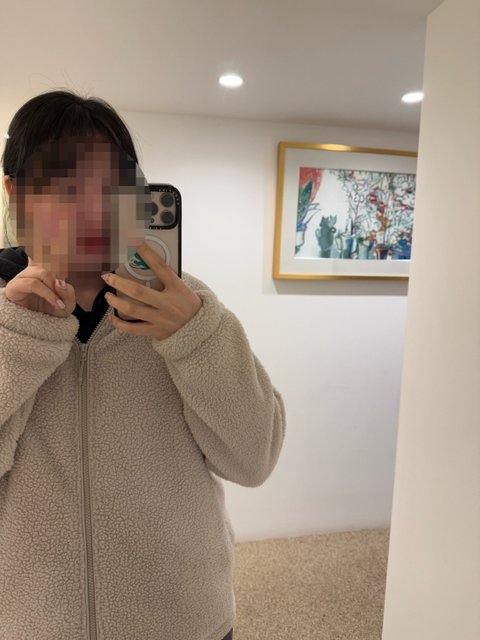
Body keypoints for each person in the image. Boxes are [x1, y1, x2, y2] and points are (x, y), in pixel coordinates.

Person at [0, 90, 286, 640]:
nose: (91, 209)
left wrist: (195, 335)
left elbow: (255, 459)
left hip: (183, 619)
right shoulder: (4, 315)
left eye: (112, 187)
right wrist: (19, 337)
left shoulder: (182, 304)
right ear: (16, 192)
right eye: (64, 186)